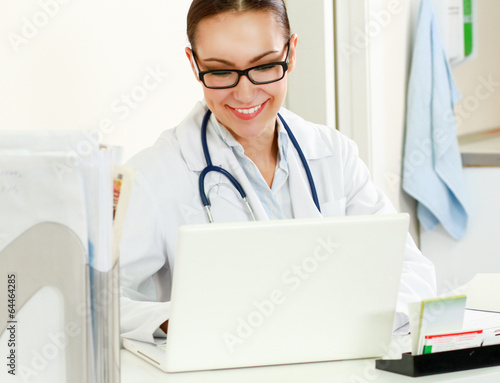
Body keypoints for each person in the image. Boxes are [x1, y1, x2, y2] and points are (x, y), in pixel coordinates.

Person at [119, 0, 436, 343]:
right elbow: (99, 303)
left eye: (265, 65)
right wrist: (184, 321)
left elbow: (409, 271)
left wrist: (344, 318)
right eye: (221, 71)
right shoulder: (155, 174)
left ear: (291, 52)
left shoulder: (332, 155)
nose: (244, 93)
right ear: (194, 65)